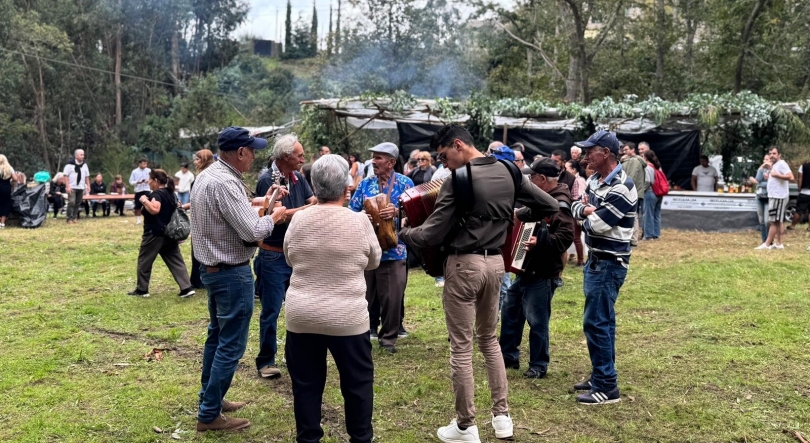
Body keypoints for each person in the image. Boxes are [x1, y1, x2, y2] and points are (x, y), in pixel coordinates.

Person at [400, 124, 559, 443]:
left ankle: (465, 425)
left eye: (444, 156)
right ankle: (502, 419)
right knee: (489, 340)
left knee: (461, 345)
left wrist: (405, 233)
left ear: (458, 145)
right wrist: (514, 217)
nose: (443, 164)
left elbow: (431, 234)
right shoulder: (510, 171)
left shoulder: (456, 180)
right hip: (496, 265)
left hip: (464, 265)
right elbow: (549, 206)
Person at [191, 127, 287, 433]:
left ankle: (211, 399)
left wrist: (265, 203)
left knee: (217, 337)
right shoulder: (226, 183)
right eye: (253, 150)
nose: (255, 156)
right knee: (230, 344)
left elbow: (234, 217)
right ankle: (208, 415)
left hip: (214, 269)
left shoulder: (209, 175)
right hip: (232, 272)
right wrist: (274, 217)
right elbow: (252, 232)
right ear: (241, 153)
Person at [284, 154, 381, 443]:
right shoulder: (359, 222)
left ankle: (309, 438)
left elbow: (290, 257)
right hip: (347, 318)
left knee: (306, 385)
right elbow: (374, 261)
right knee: (357, 383)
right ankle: (361, 438)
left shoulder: (299, 219)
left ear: (314, 186)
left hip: (302, 315)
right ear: (346, 188)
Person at [570, 129, 637, 405]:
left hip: (609, 263)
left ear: (606, 153)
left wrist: (586, 213)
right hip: (597, 260)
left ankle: (607, 386)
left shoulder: (622, 186)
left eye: (590, 151)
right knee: (601, 322)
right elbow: (575, 208)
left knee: (597, 322)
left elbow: (596, 224)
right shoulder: (595, 180)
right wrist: (585, 211)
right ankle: (601, 376)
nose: (586, 156)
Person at [500, 158, 574, 379]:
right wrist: (516, 213)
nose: (529, 181)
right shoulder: (543, 198)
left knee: (537, 320)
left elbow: (565, 237)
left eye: (532, 177)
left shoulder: (560, 204)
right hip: (526, 269)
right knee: (511, 311)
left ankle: (539, 365)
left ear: (542, 179)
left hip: (542, 273)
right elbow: (531, 213)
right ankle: (508, 356)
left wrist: (538, 242)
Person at [254, 134, 317, 380]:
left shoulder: (298, 177)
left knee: (302, 307)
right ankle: (265, 361)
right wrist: (308, 209)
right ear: (285, 157)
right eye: (299, 154)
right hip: (273, 255)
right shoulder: (265, 181)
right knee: (271, 310)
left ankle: (299, 356)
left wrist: (314, 205)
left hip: (297, 253)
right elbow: (272, 214)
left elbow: (312, 200)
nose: (303, 157)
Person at [349, 142, 414, 353]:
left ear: (391, 162)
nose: (373, 162)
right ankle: (367, 332)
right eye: (373, 157)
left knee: (393, 297)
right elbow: (352, 210)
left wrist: (397, 213)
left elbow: (417, 215)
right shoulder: (365, 184)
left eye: (378, 158)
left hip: (395, 250)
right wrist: (363, 216)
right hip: (368, 250)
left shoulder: (405, 183)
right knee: (365, 295)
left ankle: (388, 338)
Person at [127, 169, 195, 298]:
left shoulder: (157, 194)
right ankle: (186, 287)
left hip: (154, 233)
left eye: (150, 179)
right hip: (170, 233)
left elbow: (154, 209)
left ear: (156, 181)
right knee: (175, 260)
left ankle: (142, 289)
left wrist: (144, 200)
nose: (148, 181)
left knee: (144, 260)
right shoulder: (171, 193)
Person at [185, 149, 216, 290]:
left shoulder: (206, 177)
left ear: (204, 160)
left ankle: (201, 280)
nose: (194, 162)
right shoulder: (202, 176)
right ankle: (197, 279)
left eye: (197, 159)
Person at [756, 146, 793, 250]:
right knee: (777, 221)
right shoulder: (775, 165)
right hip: (773, 196)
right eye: (770, 153)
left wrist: (776, 175)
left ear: (779, 155)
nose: (772, 155)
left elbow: (791, 177)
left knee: (773, 221)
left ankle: (767, 244)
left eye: (774, 153)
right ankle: (779, 243)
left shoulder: (782, 164)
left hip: (779, 197)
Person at [620, 142, 647, 246]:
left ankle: (633, 238)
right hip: (632, 191)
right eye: (624, 150)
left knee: (633, 215)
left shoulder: (635, 161)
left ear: (632, 150)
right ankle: (630, 237)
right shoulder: (628, 160)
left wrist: (623, 188)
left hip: (632, 192)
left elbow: (631, 177)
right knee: (631, 214)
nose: (624, 152)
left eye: (626, 149)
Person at [566, 160, 587, 266]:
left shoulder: (579, 180)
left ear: (574, 170)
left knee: (576, 237)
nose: (565, 171)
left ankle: (581, 260)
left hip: (576, 210)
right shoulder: (574, 179)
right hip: (573, 210)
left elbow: (581, 197)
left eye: (567, 169)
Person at [63, 149, 91, 225]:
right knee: (71, 202)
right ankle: (69, 218)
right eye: (81, 155)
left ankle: (74, 217)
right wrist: (67, 186)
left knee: (78, 203)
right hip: (72, 187)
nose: (83, 156)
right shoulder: (69, 165)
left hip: (81, 187)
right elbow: (65, 176)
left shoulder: (84, 165)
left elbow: (87, 176)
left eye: (83, 155)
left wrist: (88, 185)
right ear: (76, 156)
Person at [642, 150, 664, 240]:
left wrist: (643, 190)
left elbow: (648, 181)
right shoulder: (657, 166)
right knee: (656, 213)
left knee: (648, 214)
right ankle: (656, 233)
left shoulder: (647, 167)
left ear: (646, 157)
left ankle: (648, 235)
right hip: (659, 193)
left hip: (650, 192)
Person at [749, 155, 771, 243]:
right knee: (761, 220)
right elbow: (757, 180)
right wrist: (761, 168)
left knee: (767, 221)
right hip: (759, 196)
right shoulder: (761, 169)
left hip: (768, 197)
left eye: (767, 159)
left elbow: (771, 183)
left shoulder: (773, 170)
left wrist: (760, 183)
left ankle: (769, 240)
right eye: (764, 159)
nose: (765, 161)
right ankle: (764, 241)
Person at [789, 158, 810, 231]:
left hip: (804, 192)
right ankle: (809, 227)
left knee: (799, 211)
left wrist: (799, 188)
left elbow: (800, 178)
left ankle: (792, 225)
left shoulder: (803, 166)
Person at [129, 158, 152, 225]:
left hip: (147, 189)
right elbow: (131, 181)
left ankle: (148, 218)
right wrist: (137, 182)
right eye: (143, 164)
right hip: (138, 190)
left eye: (146, 164)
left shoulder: (149, 170)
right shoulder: (134, 171)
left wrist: (148, 181)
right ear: (139, 164)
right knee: (138, 206)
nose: (145, 165)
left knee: (148, 204)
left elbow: (152, 179)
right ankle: (138, 220)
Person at [0, 155, 16, 228]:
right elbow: (15, 178)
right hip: (6, 188)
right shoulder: (10, 168)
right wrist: (10, 180)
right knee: (5, 204)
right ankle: (2, 223)